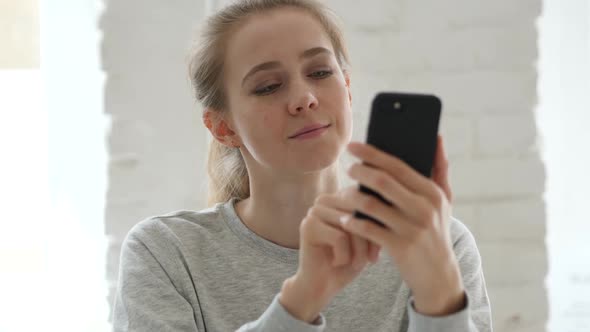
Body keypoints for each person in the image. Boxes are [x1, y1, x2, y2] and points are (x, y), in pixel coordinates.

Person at [111, 0, 493, 331]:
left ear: (346, 87)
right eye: (267, 86)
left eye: (320, 72)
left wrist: (440, 295)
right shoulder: (165, 254)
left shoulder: (435, 242)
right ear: (223, 127)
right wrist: (303, 297)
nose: (303, 98)